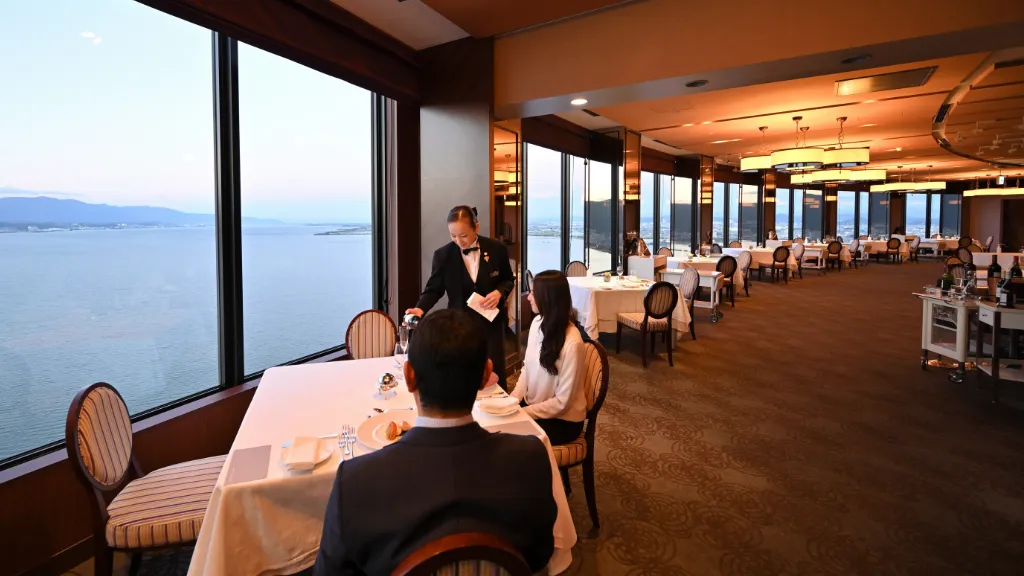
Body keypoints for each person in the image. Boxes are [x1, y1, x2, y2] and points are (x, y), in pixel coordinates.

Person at [313, 309, 557, 575]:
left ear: (409, 376)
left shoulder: (355, 482)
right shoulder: (532, 458)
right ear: (486, 375)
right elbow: (539, 556)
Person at [406, 206, 516, 389]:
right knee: (461, 375)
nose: (459, 241)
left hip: (491, 325)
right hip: (459, 326)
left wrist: (499, 293)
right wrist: (420, 308)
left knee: (494, 375)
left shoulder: (497, 249)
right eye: (453, 236)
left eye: (463, 235)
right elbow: (434, 289)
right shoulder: (443, 255)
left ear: (476, 227)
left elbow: (508, 279)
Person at [511, 271, 586, 446]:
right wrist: (512, 401)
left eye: (533, 293)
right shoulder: (537, 322)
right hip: (534, 407)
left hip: (562, 420)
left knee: (509, 441)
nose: (529, 297)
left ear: (548, 298)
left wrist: (523, 413)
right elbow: (527, 369)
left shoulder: (572, 343)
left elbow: (562, 403)